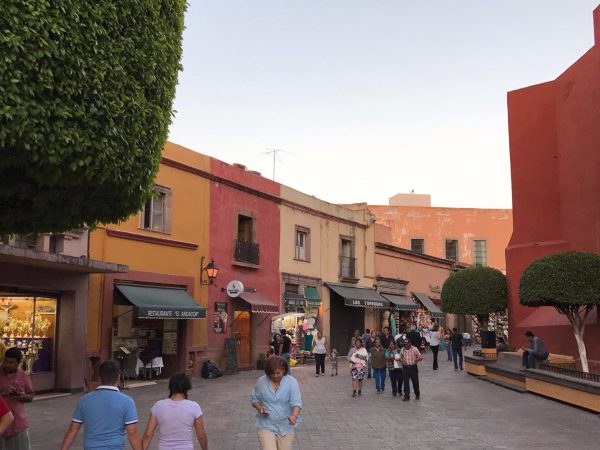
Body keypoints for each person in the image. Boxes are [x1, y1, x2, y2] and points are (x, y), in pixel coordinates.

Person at [60, 359, 142, 450]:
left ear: (100, 378)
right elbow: (133, 433)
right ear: (118, 377)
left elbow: (72, 430)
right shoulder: (127, 401)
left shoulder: (85, 400)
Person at [142, 372, 207, 450]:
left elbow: (148, 435)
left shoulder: (158, 406)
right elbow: (201, 436)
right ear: (187, 387)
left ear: (171, 386)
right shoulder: (194, 406)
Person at [251, 356, 302, 450]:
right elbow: (254, 399)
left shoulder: (291, 382)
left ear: (284, 369)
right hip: (266, 425)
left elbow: (296, 402)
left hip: (286, 426)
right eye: (271, 373)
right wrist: (260, 408)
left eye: (278, 373)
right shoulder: (261, 382)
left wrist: (294, 416)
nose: (275, 376)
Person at [0, 347, 34, 450]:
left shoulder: (24, 376)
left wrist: (23, 396)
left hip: (18, 424)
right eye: (5, 360)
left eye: (11, 362)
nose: (7, 364)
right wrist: (2, 392)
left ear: (18, 363)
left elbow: (31, 396)